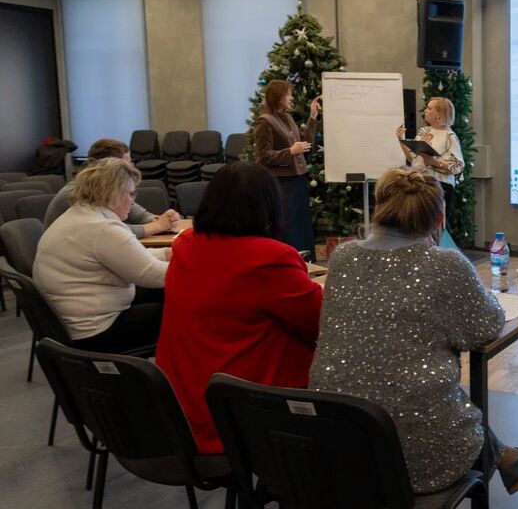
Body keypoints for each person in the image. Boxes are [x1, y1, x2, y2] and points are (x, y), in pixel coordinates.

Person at [309, 168, 518, 496]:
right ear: (438, 220)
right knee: (433, 401)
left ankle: (508, 458)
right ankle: (505, 457)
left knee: (417, 386)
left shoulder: (343, 257)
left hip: (336, 447)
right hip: (416, 458)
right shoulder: (445, 266)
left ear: (379, 209)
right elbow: (485, 327)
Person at [156, 161, 323, 455]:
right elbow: (322, 321)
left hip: (182, 408)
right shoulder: (269, 258)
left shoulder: (186, 245)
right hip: (245, 412)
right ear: (269, 207)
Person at [33, 157, 169, 352]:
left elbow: (129, 256)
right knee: (184, 311)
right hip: (97, 332)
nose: (133, 202)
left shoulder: (80, 215)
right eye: (131, 194)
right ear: (112, 192)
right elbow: (154, 275)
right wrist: (197, 263)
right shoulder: (102, 228)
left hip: (75, 322)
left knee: (170, 295)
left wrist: (168, 253)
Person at [44, 138, 180, 237]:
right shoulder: (77, 192)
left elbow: (137, 215)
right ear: (107, 168)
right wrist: (157, 226)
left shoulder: (109, 189)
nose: (130, 170)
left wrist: (165, 220)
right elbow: (108, 230)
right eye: (125, 166)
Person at [254, 80, 320, 260]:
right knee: (287, 226)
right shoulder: (265, 122)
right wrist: (290, 151)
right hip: (282, 183)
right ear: (278, 96)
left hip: (298, 180)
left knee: (301, 225)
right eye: (288, 94)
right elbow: (263, 156)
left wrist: (313, 116)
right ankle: (286, 262)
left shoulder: (288, 117)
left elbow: (305, 141)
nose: (291, 98)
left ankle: (304, 262)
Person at [396, 97, 464, 210]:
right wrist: (401, 139)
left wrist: (434, 162)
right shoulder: (424, 131)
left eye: (429, 108)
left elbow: (459, 166)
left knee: (432, 219)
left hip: (439, 185)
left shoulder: (449, 135)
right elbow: (413, 159)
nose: (425, 111)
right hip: (418, 181)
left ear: (439, 115)